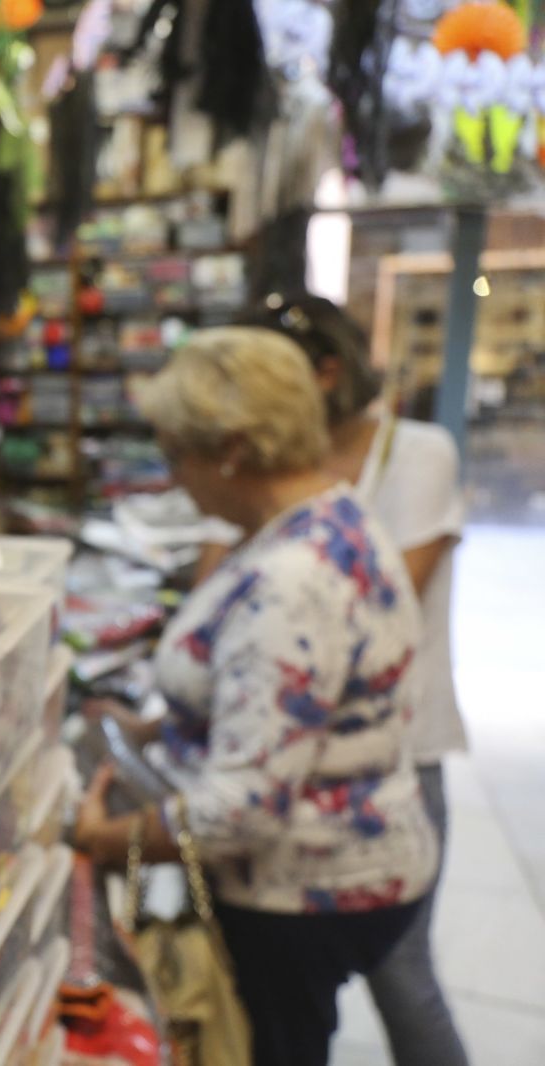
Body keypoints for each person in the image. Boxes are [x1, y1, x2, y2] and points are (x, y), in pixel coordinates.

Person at [72, 327, 440, 1066]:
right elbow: (292, 710)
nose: (177, 480)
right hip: (351, 859)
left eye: (178, 454)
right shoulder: (332, 515)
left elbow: (243, 806)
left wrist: (106, 841)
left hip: (300, 892)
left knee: (271, 1049)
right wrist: (154, 731)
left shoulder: (291, 583)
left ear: (232, 450)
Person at [201, 294, 470, 1066]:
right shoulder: (256, 462)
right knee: (278, 996)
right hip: (275, 768)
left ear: (323, 373)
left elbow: (361, 616)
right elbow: (213, 600)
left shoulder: (418, 453)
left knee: (402, 978)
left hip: (389, 761)